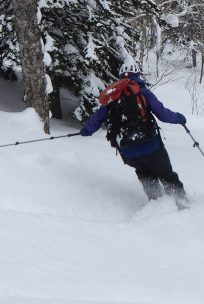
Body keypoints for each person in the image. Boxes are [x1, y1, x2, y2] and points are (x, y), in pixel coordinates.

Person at [80, 61, 189, 208]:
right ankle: (182, 205)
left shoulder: (112, 96)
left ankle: (157, 206)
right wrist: (179, 118)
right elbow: (163, 114)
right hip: (151, 147)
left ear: (120, 76)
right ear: (137, 75)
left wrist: (86, 131)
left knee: (145, 175)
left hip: (128, 152)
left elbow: (97, 119)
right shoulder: (143, 92)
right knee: (166, 175)